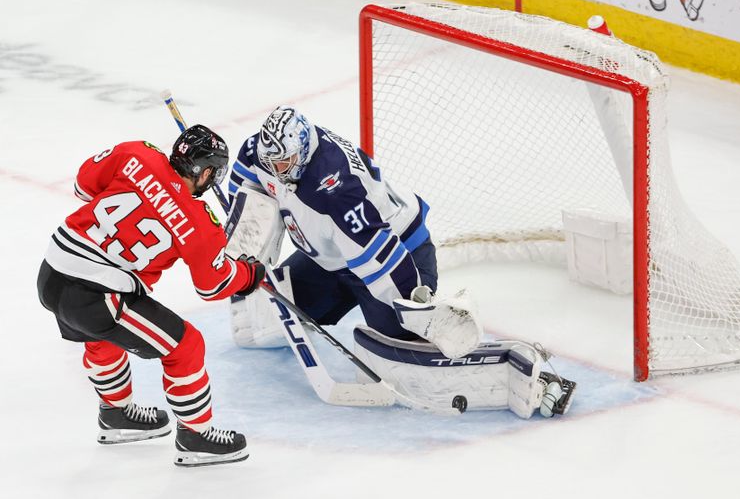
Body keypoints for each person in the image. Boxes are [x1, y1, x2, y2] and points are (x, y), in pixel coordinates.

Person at [225, 106, 576, 419]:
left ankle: (517, 374)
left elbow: (380, 259)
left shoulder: (336, 188)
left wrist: (417, 312)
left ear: (302, 150)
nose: (277, 169)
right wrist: (242, 239)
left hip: (401, 255)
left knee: (399, 359)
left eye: (283, 163)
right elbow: (245, 194)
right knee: (258, 317)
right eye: (272, 162)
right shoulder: (264, 150)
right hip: (332, 258)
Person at [36, 125, 265, 467]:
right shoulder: (201, 222)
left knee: (102, 335)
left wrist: (149, 191)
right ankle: (196, 436)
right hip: (97, 294)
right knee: (186, 346)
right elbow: (212, 285)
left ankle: (116, 414)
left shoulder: (135, 153)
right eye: (214, 173)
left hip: (52, 273)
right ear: (203, 172)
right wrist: (248, 274)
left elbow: (84, 185)